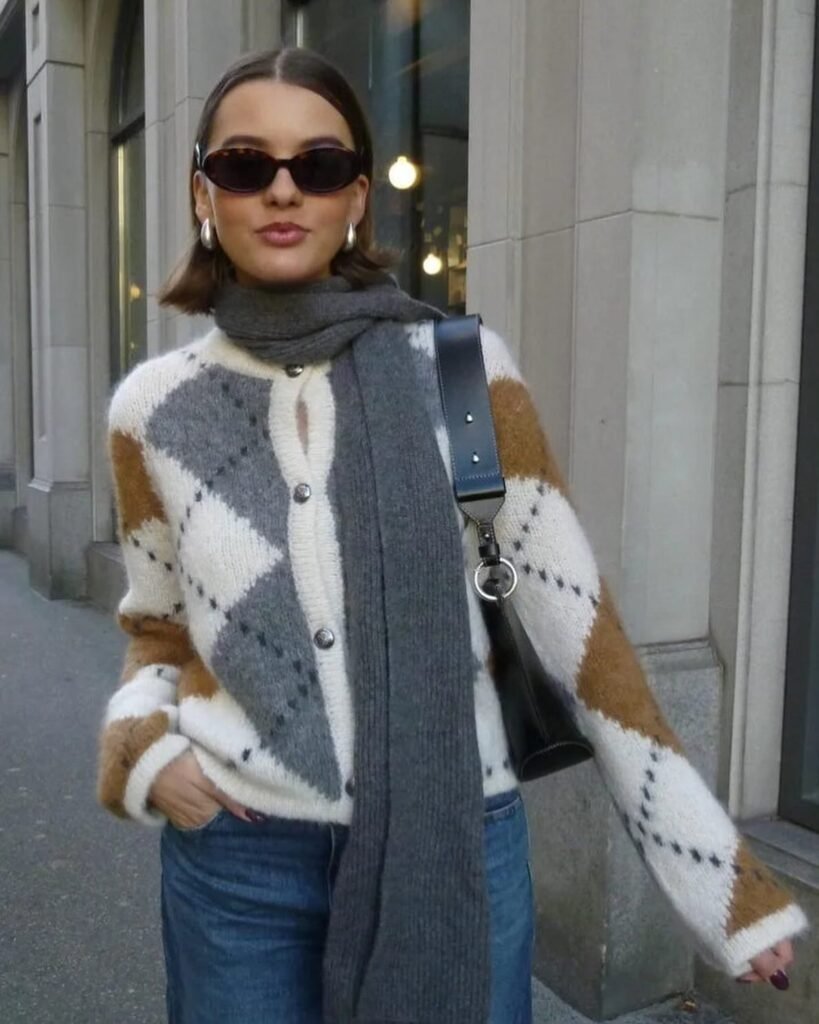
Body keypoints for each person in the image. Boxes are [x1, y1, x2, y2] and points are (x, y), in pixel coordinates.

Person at [96, 46, 805, 1024]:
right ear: (202, 194)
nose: (283, 190)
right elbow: (160, 630)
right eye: (246, 165)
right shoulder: (151, 411)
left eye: (323, 164)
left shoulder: (461, 376)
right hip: (238, 860)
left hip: (458, 840)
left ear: (358, 199)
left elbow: (586, 646)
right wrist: (138, 751)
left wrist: (719, 882)